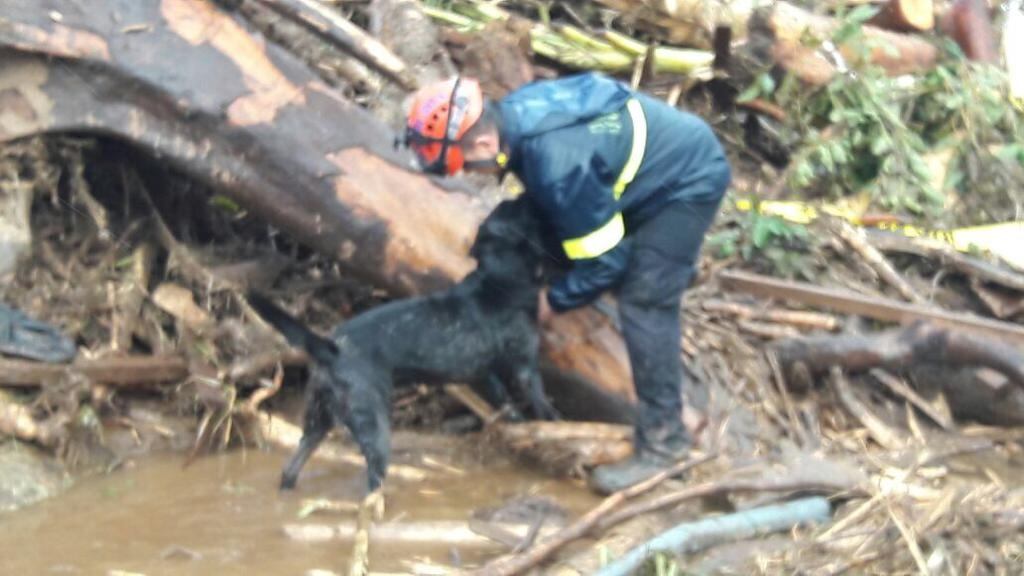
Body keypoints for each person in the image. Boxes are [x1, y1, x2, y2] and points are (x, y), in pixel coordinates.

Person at [403, 72, 731, 494]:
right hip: (613, 170)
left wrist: (554, 301)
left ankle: (665, 443)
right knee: (524, 222)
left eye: (468, 165)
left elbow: (607, 263)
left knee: (644, 300)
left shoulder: (558, 165)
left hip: (684, 181)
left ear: (484, 144)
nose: (472, 173)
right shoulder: (516, 119)